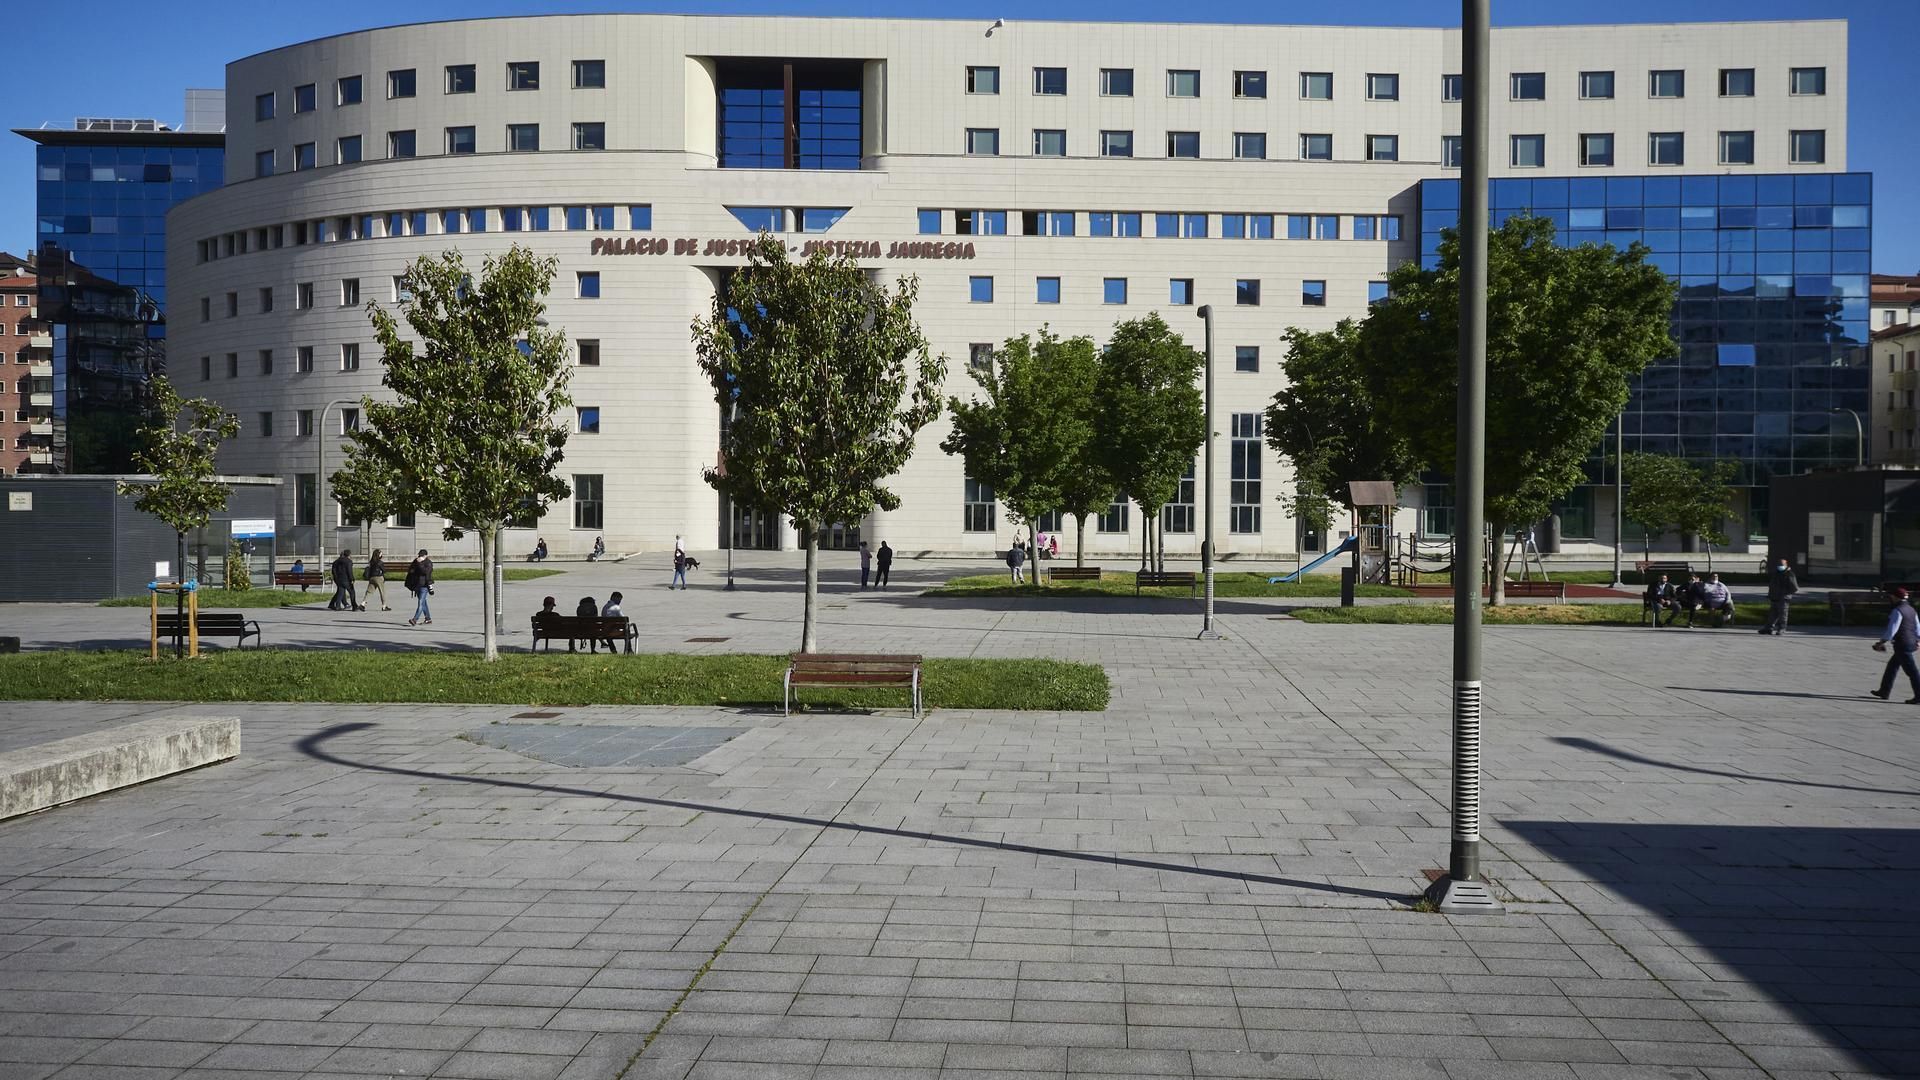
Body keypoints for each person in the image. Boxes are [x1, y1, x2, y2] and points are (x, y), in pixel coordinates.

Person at [1871, 586, 1920, 703]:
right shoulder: (1911, 609)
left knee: (1912, 671)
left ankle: (1919, 696)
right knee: (1892, 667)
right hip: (1910, 642)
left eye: (1891, 596)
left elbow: (1892, 629)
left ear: (1895, 597)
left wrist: (1881, 642)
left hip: (1902, 644)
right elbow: (1918, 627)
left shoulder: (1897, 610)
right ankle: (1884, 691)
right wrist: (1918, 640)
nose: (1890, 597)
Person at [1760, 557, 1799, 635]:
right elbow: (1772, 585)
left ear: (1786, 565)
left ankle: (1782, 629)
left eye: (1781, 565)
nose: (1779, 566)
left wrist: (1786, 594)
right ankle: (1768, 628)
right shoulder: (1776, 573)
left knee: (1783, 615)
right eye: (1778, 565)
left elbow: (1794, 587)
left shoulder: (1789, 574)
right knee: (1772, 614)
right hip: (1774, 597)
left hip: (1783, 598)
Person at [404, 549, 434, 626]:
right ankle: (428, 619)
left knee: (420, 602)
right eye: (419, 555)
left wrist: (419, 563)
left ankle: (415, 619)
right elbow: (410, 570)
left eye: (421, 556)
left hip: (424, 585)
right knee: (423, 602)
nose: (419, 557)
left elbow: (425, 572)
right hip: (417, 585)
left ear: (425, 556)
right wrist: (415, 564)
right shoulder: (416, 561)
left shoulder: (428, 563)